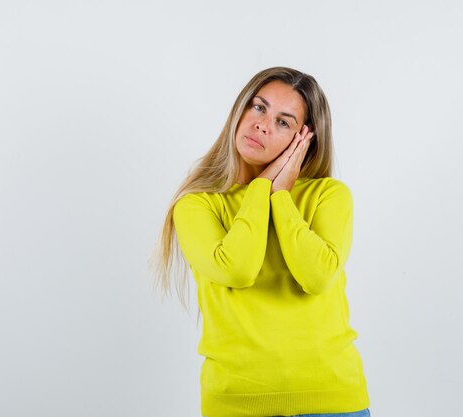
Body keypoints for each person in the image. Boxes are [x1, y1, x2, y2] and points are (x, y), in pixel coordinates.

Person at [154, 67, 371, 417]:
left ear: (304, 139)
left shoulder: (329, 195)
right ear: (239, 110)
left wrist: (280, 197)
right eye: (258, 107)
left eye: (284, 122)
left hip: (333, 401)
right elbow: (237, 269)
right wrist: (261, 188)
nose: (262, 125)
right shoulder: (197, 204)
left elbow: (317, 277)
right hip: (237, 404)